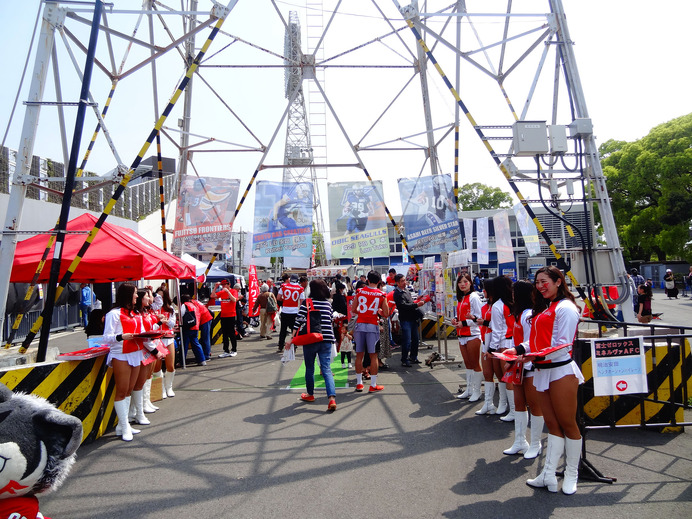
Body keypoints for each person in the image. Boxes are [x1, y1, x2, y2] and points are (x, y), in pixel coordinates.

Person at [505, 266, 584, 494]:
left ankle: (571, 474)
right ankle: (548, 474)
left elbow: (563, 345)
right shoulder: (545, 308)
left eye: (544, 281)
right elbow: (538, 341)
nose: (540, 286)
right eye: (537, 282)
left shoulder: (566, 308)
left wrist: (532, 355)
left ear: (558, 281)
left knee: (569, 425)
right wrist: (517, 349)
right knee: (552, 426)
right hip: (541, 371)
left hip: (560, 372)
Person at [103, 284, 164, 442]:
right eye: (135, 293)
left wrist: (156, 330)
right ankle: (123, 426)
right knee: (122, 391)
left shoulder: (135, 313)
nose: (137, 296)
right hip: (121, 354)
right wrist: (121, 336)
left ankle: (123, 425)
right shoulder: (114, 314)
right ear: (127, 295)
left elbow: (143, 333)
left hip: (137, 354)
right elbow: (107, 337)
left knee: (130, 390)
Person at [503, 281, 544, 459]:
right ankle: (520, 441)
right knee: (519, 403)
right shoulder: (519, 315)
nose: (512, 296)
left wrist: (517, 354)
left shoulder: (528, 315)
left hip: (530, 365)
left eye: (514, 292)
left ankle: (536, 443)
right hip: (519, 364)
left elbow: (530, 342)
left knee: (534, 405)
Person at [286, 278, 337, 412]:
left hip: (311, 339)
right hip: (326, 339)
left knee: (309, 367)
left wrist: (292, 339)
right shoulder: (328, 304)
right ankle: (331, 398)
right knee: (326, 369)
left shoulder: (306, 303)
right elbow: (330, 320)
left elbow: (298, 322)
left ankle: (310, 394)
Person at [478, 276, 515, 419]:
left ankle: (512, 409)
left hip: (504, 344)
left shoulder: (499, 306)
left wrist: (490, 350)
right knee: (505, 376)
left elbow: (497, 331)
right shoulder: (509, 304)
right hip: (511, 343)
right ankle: (505, 405)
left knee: (507, 377)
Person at [352, 270, 389, 392]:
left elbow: (354, 309)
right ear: (379, 282)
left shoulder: (359, 291)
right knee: (373, 356)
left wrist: (363, 312)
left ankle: (359, 383)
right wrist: (377, 312)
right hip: (372, 326)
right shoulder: (381, 295)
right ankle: (373, 385)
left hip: (360, 325)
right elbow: (386, 313)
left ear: (367, 280)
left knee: (359, 354)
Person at [451, 273, 483, 402]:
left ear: (470, 282)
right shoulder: (460, 298)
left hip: (473, 334)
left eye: (465, 281)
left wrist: (463, 323)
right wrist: (455, 319)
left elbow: (478, 317)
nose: (462, 284)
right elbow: (460, 315)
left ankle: (477, 391)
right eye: (460, 282)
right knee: (468, 364)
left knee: (475, 363)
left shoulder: (474, 297)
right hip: (461, 334)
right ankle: (469, 389)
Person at [392, 273, 424, 368]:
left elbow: (409, 302)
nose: (404, 282)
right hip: (405, 320)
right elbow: (403, 306)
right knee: (407, 341)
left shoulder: (406, 290)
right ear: (397, 283)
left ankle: (413, 357)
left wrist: (415, 301)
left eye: (405, 280)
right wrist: (416, 305)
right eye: (402, 281)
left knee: (415, 339)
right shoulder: (397, 293)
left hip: (412, 319)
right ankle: (404, 359)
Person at [155, 287, 178, 397]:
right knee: (157, 367)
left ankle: (169, 387)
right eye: (158, 296)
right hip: (156, 340)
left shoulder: (170, 309)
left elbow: (173, 324)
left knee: (170, 366)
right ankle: (161, 389)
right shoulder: (152, 309)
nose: (160, 299)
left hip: (168, 338)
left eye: (162, 296)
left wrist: (166, 320)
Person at [277, 274, 305, 353]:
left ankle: (280, 345)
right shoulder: (300, 288)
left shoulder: (284, 286)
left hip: (285, 311)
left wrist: (285, 300)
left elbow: (278, 297)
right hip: (294, 311)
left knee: (283, 329)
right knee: (294, 329)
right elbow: (302, 301)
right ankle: (294, 345)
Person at [180, 294, 207, 365]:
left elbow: (181, 314)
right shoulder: (194, 305)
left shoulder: (185, 305)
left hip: (188, 326)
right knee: (196, 343)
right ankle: (202, 360)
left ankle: (182, 361)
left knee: (184, 344)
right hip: (195, 326)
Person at [214, 279, 238, 357]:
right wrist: (215, 287)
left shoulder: (234, 291)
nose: (223, 286)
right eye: (222, 285)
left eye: (225, 284)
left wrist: (228, 292)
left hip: (231, 315)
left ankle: (234, 349)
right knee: (224, 334)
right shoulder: (222, 292)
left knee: (231, 333)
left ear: (229, 284)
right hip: (223, 315)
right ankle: (226, 350)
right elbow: (212, 296)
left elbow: (234, 300)